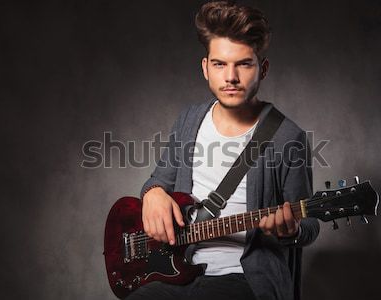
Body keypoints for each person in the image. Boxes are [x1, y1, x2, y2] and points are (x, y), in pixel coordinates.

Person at [129, 1, 319, 300]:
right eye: (219, 64)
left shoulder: (287, 136)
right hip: (179, 269)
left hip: (245, 277)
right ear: (206, 68)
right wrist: (152, 193)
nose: (230, 77)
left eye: (244, 64)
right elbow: (159, 181)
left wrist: (291, 229)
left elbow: (309, 224)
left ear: (263, 69)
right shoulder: (189, 120)